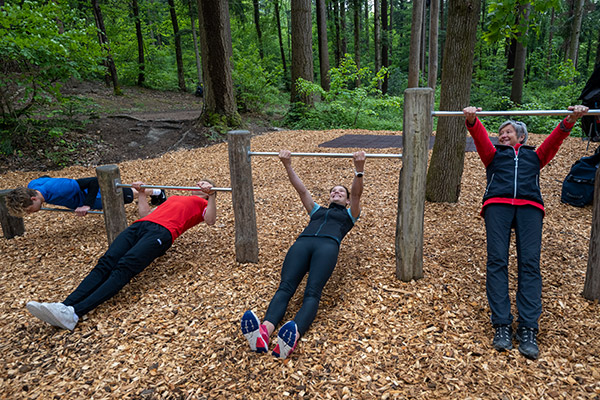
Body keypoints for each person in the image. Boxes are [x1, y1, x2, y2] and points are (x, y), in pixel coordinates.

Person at [463, 105, 589, 360]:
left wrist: (570, 120)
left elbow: (555, 140)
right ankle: (502, 326)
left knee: (529, 264)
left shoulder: (535, 156)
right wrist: (473, 121)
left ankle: (528, 328)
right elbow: (480, 138)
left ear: (521, 137)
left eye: (507, 132)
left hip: (530, 207)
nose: (502, 135)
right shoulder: (494, 155)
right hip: (497, 205)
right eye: (500, 132)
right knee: (496, 261)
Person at [25, 180, 217, 330]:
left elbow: (210, 220)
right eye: (198, 184)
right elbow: (145, 213)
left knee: (124, 267)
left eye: (204, 184)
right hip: (140, 225)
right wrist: (141, 193)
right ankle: (64, 306)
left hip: (162, 233)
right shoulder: (175, 198)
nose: (199, 186)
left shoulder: (203, 204)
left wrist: (213, 195)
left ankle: (74, 313)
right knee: (106, 262)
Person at [241, 149, 366, 359]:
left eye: (340, 192)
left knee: (312, 292)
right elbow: (301, 191)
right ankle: (263, 333)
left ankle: (292, 336)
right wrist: (287, 165)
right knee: (286, 287)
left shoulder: (350, 214)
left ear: (346, 201)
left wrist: (359, 170)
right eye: (333, 191)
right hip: (302, 244)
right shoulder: (316, 210)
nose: (336, 193)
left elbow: (356, 194)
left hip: (327, 247)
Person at [5, 176, 167, 217]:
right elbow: (46, 176)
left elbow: (93, 181)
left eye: (29, 210)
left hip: (99, 195)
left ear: (34, 199)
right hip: (89, 198)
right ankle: (156, 193)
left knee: (131, 194)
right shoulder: (33, 185)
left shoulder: (60, 188)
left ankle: (158, 192)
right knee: (131, 195)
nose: (30, 213)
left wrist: (87, 205)